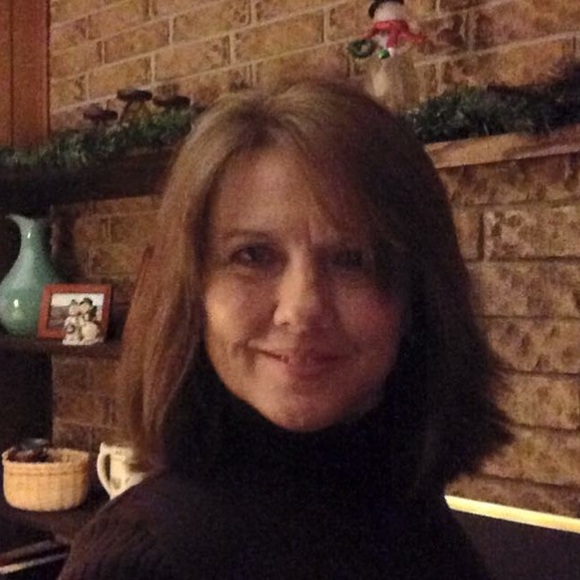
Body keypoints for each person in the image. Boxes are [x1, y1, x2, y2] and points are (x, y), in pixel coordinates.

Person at [59, 79, 510, 580]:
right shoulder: (144, 560)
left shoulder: (403, 502)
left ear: (417, 298)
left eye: (352, 259)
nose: (301, 310)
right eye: (252, 255)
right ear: (193, 292)